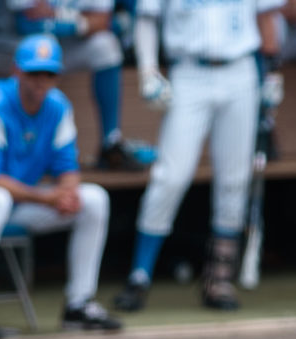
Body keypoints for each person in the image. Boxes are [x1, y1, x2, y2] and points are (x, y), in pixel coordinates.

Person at [111, 0, 285, 312]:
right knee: (170, 177)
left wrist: (272, 71)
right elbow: (146, 17)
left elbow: (266, 15)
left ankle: (219, 280)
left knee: (234, 179)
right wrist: (148, 69)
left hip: (240, 71)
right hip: (189, 71)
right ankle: (139, 276)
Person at [0, 33, 123, 339]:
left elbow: (67, 167)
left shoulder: (58, 106)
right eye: (34, 73)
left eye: (48, 74)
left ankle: (79, 304)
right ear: (17, 71)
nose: (41, 81)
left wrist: (67, 193)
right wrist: (47, 197)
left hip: (22, 202)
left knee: (94, 200)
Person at [0, 0, 146, 171]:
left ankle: (111, 142)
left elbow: (102, 22)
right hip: (3, 46)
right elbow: (28, 25)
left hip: (62, 42)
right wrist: (82, 21)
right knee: (44, 47)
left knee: (105, 46)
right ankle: (36, 152)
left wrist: (57, 16)